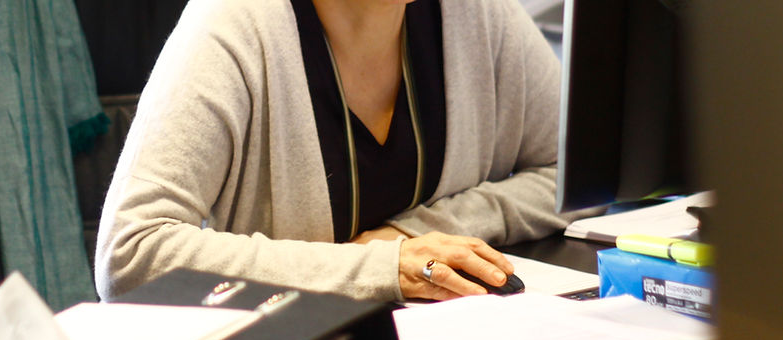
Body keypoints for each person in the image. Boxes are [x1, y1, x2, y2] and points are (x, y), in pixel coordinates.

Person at [94, 0, 600, 302]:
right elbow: (131, 251)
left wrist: (416, 234)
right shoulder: (233, 22)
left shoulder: (477, 13)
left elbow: (582, 171)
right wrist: (382, 268)